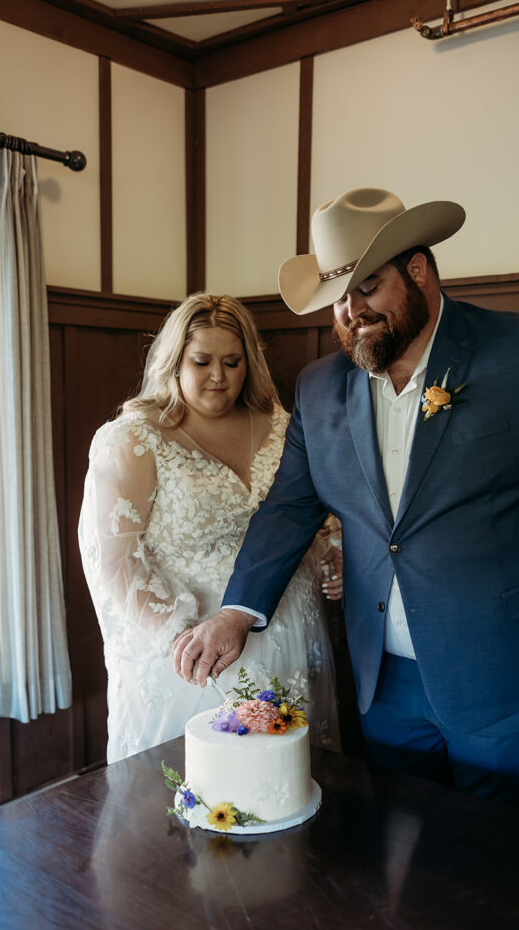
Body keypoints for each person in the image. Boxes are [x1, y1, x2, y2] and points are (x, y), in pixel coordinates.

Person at [173, 189, 519, 817]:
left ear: (417, 271)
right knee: (404, 856)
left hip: (508, 672)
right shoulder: (319, 386)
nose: (350, 311)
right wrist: (236, 610)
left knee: (513, 867)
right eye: (338, 296)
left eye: (367, 288)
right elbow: (289, 508)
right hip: (383, 680)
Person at [79, 293, 341, 763]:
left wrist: (331, 554)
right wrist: (178, 637)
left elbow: (305, 516)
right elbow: (113, 560)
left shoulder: (282, 426)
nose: (219, 376)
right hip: (194, 651)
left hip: (291, 634)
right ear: (174, 361)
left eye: (232, 362)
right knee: (199, 789)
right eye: (202, 361)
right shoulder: (135, 439)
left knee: (288, 782)